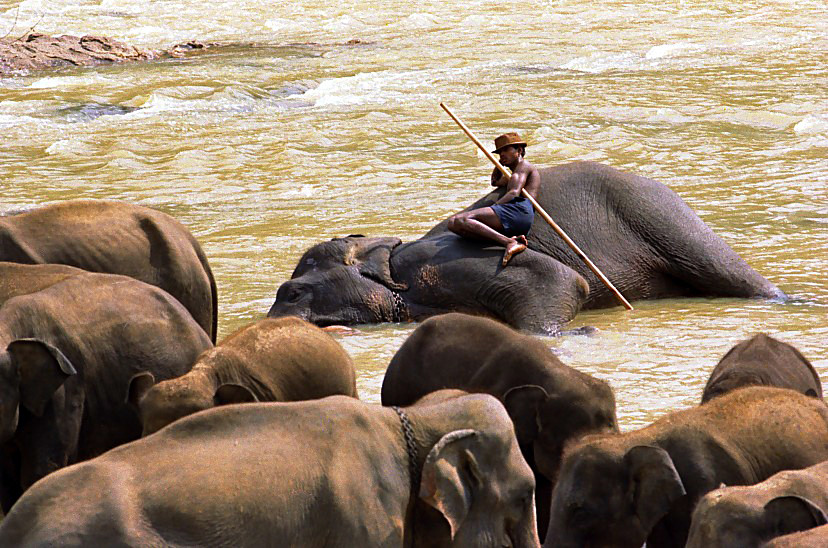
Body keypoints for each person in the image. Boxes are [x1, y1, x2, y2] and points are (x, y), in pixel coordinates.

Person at [448, 132, 540, 266]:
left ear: (519, 150)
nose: (502, 154)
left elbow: (513, 193)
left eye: (506, 150)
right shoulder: (514, 173)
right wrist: (498, 164)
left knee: (460, 220)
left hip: (518, 210)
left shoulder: (524, 167)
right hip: (515, 212)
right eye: (499, 152)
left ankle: (509, 242)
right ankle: (507, 239)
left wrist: (494, 207)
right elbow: (495, 181)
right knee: (453, 225)